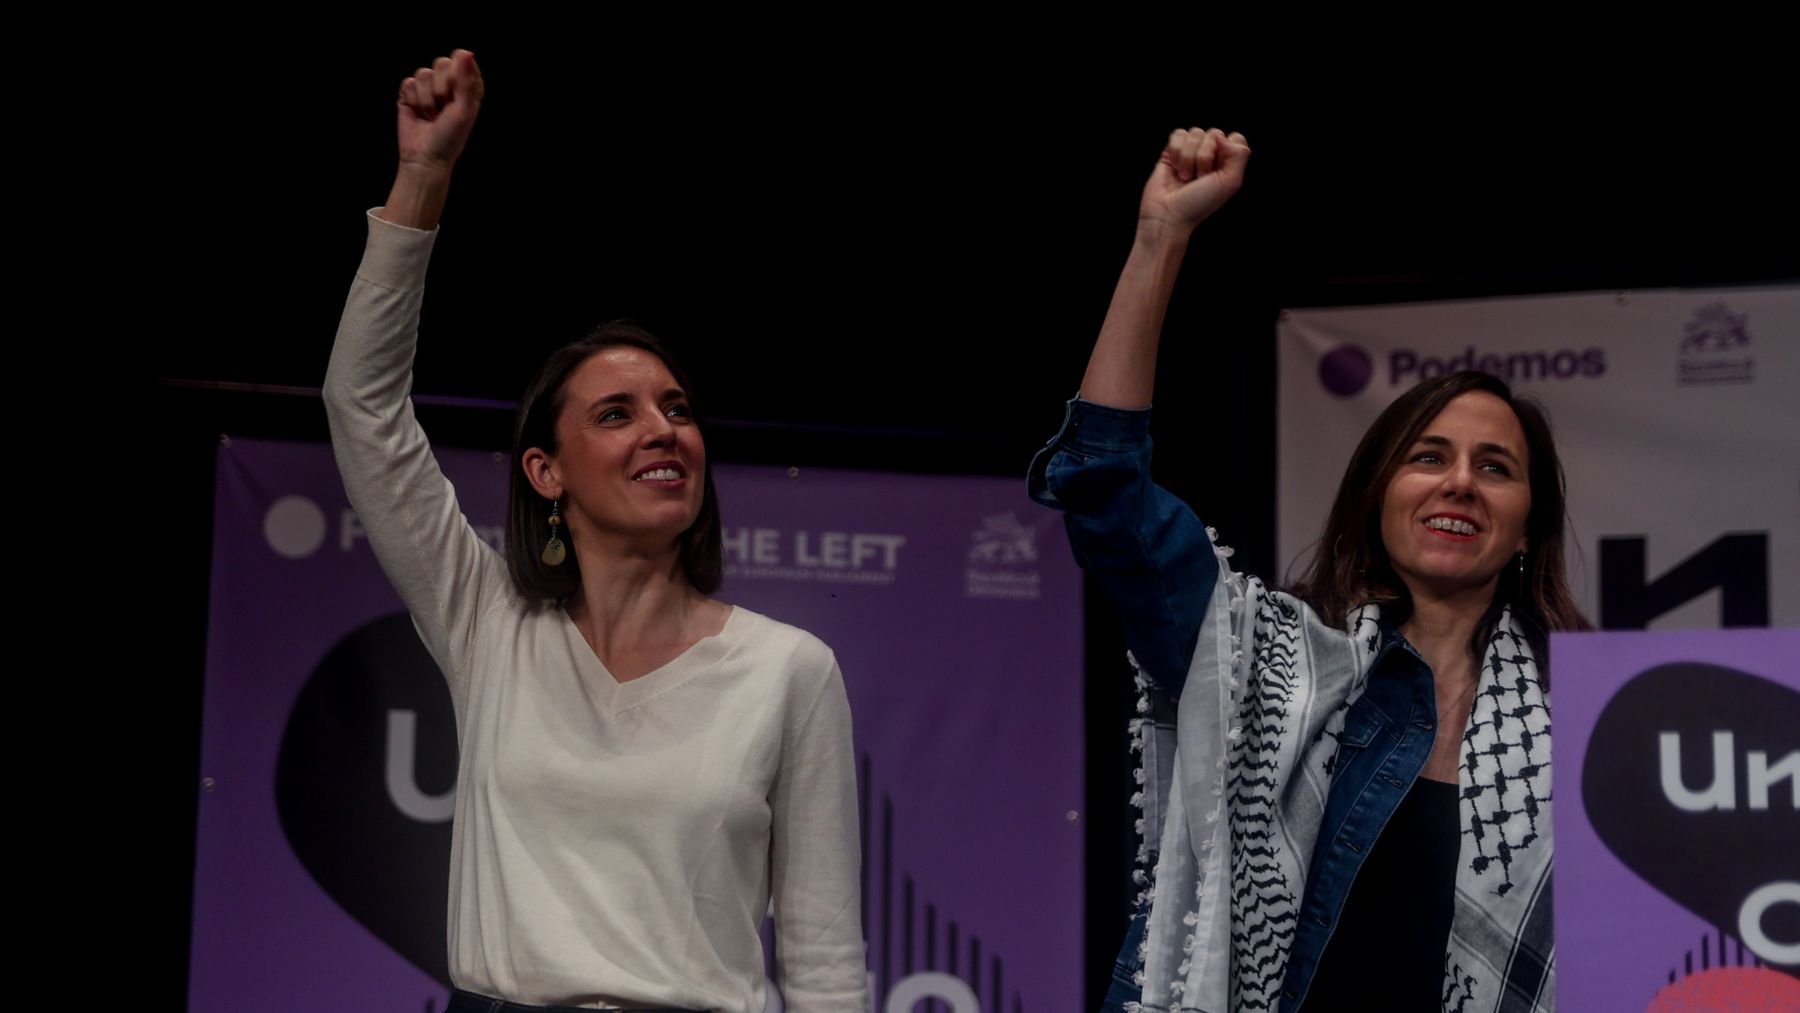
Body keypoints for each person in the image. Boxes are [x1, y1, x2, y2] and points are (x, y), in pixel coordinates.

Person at [323, 49, 869, 1012]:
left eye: (677, 408)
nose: (663, 429)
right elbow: (363, 409)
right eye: (615, 414)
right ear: (547, 472)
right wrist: (423, 179)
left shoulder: (791, 670)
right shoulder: (489, 625)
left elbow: (824, 965)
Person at [1029, 127, 1588, 1012]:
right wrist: (1159, 239)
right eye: (1429, 456)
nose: (1458, 482)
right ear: (1378, 497)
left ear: (1527, 528)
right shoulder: (1272, 664)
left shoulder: (1594, 720)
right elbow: (1104, 490)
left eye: (1495, 467)